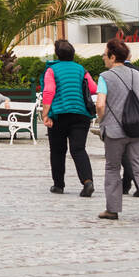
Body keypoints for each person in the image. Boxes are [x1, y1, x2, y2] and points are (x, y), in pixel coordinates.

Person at [95, 39, 139, 223]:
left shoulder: (105, 77)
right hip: (137, 129)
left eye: (105, 54)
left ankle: (112, 209)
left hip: (114, 131)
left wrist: (101, 118)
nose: (103, 58)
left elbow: (100, 104)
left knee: (112, 168)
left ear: (113, 56)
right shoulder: (135, 74)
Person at [41, 39, 97, 197]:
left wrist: (45, 114)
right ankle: (87, 182)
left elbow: (49, 91)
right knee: (78, 149)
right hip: (81, 115)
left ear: (57, 54)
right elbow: (93, 88)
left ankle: (58, 185)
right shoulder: (81, 69)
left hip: (59, 115)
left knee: (57, 151)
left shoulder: (52, 70)